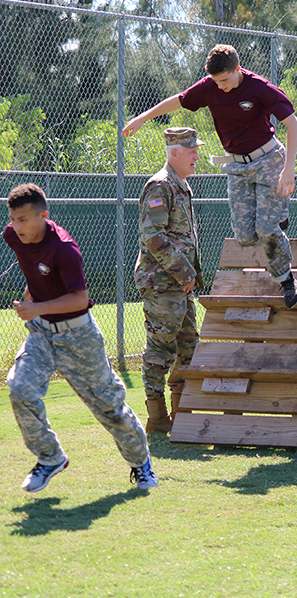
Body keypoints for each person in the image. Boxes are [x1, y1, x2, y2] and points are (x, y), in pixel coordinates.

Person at [122, 44, 297, 309]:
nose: (221, 87)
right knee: (245, 236)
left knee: (266, 228)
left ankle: (287, 280)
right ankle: (277, 216)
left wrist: (289, 169)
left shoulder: (259, 87)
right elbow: (179, 99)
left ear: (238, 70)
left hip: (269, 160)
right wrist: (144, 117)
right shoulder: (210, 86)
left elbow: (293, 124)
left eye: (226, 80)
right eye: (216, 82)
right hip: (237, 166)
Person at [5, 184, 157, 492]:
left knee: (108, 407)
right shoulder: (13, 237)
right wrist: (32, 301)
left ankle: (141, 464)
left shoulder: (64, 248)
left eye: (22, 219)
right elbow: (35, 273)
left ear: (43, 216)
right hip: (42, 333)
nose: (15, 226)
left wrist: (37, 307)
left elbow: (79, 299)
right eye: (12, 218)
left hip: (79, 335)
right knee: (20, 388)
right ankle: (50, 458)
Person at [134, 127, 206, 434]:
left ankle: (182, 411)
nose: (197, 156)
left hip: (180, 287)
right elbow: (153, 236)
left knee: (189, 347)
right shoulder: (160, 186)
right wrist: (184, 271)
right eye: (191, 152)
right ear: (174, 152)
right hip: (163, 285)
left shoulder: (181, 186)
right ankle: (157, 418)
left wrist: (189, 277)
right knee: (160, 350)